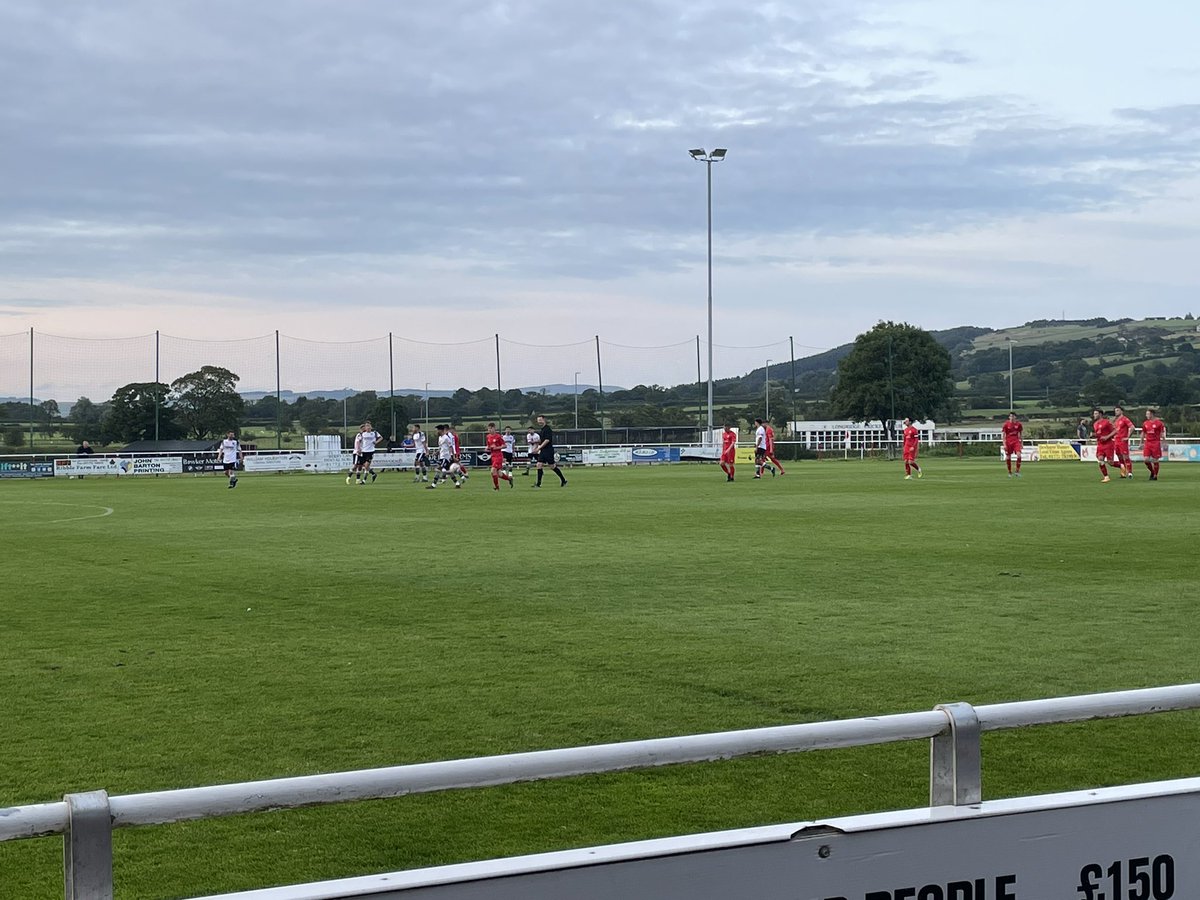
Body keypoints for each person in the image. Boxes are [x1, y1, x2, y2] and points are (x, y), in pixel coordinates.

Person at [531, 415, 568, 488]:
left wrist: (538, 448)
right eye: (538, 420)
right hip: (543, 450)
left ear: (544, 420)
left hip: (548, 450)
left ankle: (563, 480)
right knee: (539, 465)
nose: (539, 422)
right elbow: (542, 440)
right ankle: (538, 484)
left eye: (540, 420)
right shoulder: (542, 430)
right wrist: (535, 444)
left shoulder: (547, 429)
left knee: (552, 466)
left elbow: (547, 440)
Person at [428, 424, 464, 489]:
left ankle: (433, 485)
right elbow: (441, 447)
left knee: (438, 468)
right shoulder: (440, 438)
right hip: (442, 456)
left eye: (437, 430)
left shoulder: (446, 438)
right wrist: (436, 452)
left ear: (440, 430)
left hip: (445, 457)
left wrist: (452, 456)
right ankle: (457, 483)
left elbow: (451, 447)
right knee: (449, 471)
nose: (436, 432)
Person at [485, 422, 514, 490]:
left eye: (490, 429)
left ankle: (497, 487)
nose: (489, 430)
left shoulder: (498, 436)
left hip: (498, 456)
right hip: (493, 456)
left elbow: (504, 445)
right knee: (499, 474)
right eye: (488, 429)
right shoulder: (488, 436)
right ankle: (509, 479)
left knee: (493, 471)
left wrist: (496, 448)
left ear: (494, 428)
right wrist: (487, 448)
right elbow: (489, 446)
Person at [1091, 407, 1116, 483]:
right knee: (1100, 459)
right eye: (1094, 413)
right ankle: (1106, 477)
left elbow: (1115, 431)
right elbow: (1099, 434)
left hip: (1108, 444)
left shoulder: (1107, 422)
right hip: (1100, 445)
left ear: (1100, 414)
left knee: (1110, 462)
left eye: (1096, 413)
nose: (1094, 415)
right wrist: (1094, 435)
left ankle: (1121, 466)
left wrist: (1107, 437)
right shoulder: (1095, 424)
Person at [1141, 407, 1166, 481]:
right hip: (1148, 443)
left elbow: (1162, 433)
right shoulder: (1145, 423)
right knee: (1146, 460)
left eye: (1147, 414)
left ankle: (1155, 475)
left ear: (1152, 414)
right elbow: (1143, 433)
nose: (1146, 415)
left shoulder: (1159, 423)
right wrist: (1141, 442)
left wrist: (1164, 441)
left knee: (1155, 460)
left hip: (1156, 443)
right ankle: (1152, 472)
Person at [1112, 405, 1134, 479]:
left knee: (1125, 456)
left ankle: (1130, 472)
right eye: (1115, 411)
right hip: (1116, 441)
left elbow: (1132, 427)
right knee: (1119, 457)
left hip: (1122, 441)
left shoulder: (1125, 419)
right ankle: (1123, 472)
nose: (1116, 412)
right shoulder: (1116, 420)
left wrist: (1127, 437)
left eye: (1117, 410)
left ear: (1121, 411)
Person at [1001, 412, 1023, 477]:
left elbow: (1021, 434)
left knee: (1019, 455)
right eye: (1010, 416)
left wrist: (1021, 443)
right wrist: (1004, 444)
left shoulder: (1018, 424)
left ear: (1015, 417)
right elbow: (1003, 435)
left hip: (1016, 441)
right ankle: (1009, 472)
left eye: (1013, 416)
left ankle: (1017, 471)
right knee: (1008, 457)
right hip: (1008, 442)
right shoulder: (1006, 424)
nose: (1012, 418)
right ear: (1009, 417)